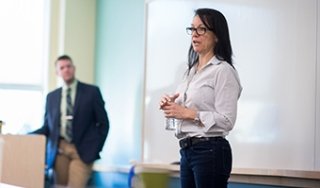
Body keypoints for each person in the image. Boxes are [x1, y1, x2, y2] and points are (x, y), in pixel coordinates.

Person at [159, 8, 242, 188]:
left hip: (210, 151)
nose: (194, 34)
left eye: (201, 29)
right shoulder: (190, 73)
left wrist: (189, 113)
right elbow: (181, 117)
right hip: (187, 150)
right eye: (192, 29)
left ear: (217, 36)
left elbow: (227, 121)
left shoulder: (223, 71)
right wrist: (171, 108)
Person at [31, 55, 109, 188]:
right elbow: (47, 127)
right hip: (59, 150)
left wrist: (95, 148)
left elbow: (103, 124)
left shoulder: (91, 92)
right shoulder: (51, 97)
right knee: (59, 186)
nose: (66, 70)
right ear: (57, 72)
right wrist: (26, 135)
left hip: (82, 151)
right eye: (62, 67)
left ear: (74, 68)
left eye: (69, 66)